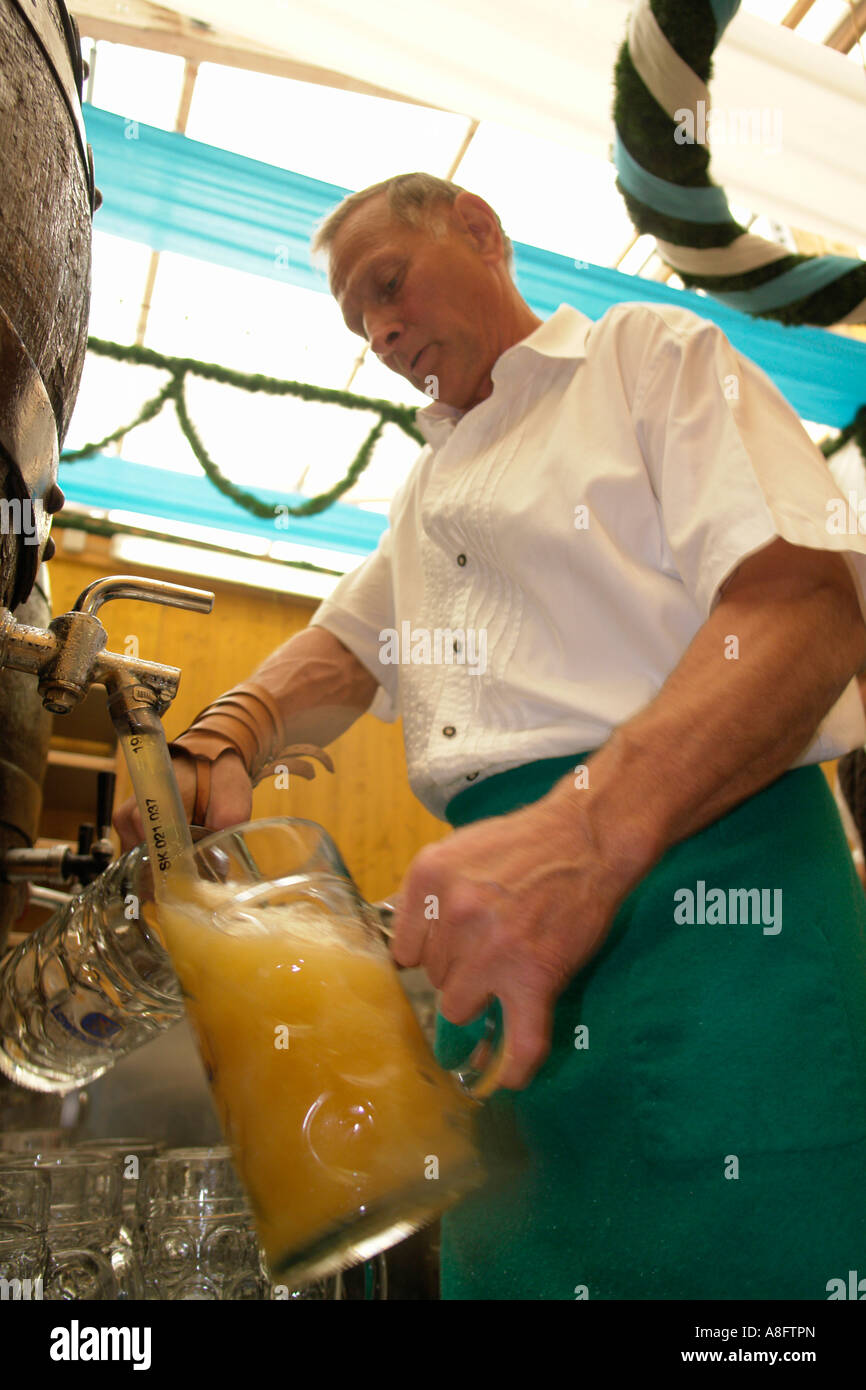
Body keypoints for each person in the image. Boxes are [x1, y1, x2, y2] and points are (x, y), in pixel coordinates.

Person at [116, 173, 866, 1301]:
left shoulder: (642, 356)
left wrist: (586, 826)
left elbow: (802, 609)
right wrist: (225, 734)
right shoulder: (427, 488)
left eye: (386, 283)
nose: (378, 331)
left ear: (479, 230)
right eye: (356, 322)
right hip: (496, 949)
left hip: (716, 920)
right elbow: (344, 645)